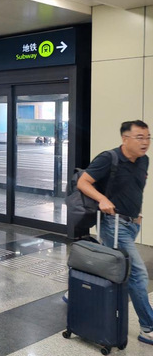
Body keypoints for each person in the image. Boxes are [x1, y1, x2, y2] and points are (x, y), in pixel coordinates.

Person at [77, 120, 153, 346]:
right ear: (125, 138)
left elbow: (135, 189)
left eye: (148, 137)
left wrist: (137, 215)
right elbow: (83, 182)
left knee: (113, 267)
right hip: (113, 224)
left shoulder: (144, 160)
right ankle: (148, 327)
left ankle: (77, 292)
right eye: (139, 137)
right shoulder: (108, 158)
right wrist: (102, 199)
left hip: (132, 225)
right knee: (137, 274)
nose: (145, 142)